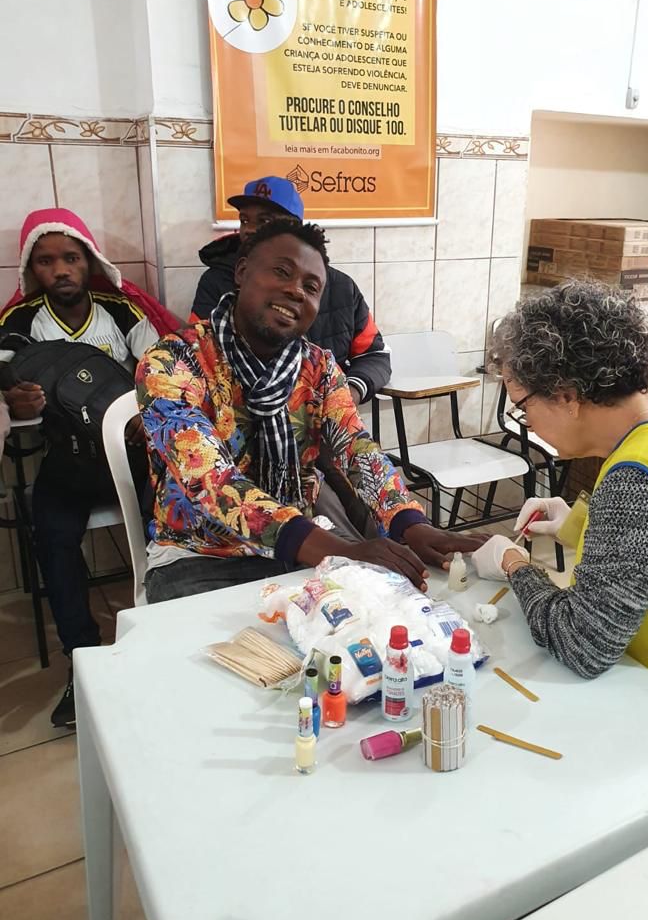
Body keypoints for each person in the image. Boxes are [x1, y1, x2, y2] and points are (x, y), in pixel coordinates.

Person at [472, 280, 648, 805]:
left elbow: (583, 644)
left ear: (565, 394)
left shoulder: (636, 477)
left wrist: (514, 564)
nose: (527, 423)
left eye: (523, 406)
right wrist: (579, 521)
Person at [138, 218, 483, 602]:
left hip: (302, 545)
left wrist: (409, 523)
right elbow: (213, 484)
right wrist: (341, 550)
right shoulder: (173, 362)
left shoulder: (317, 367)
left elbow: (357, 448)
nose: (295, 291)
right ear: (241, 272)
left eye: (311, 286)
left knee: (384, 633)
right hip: (200, 556)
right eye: (282, 272)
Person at [0, 208, 179, 728]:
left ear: (89, 261)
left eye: (71, 258)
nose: (61, 270)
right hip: (68, 464)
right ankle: (83, 666)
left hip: (135, 459)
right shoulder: (19, 323)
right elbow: (5, 378)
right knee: (51, 536)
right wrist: (16, 402)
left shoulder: (120, 312)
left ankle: (162, 643)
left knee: (169, 529)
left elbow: (165, 366)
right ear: (32, 270)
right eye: (47, 261)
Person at [190, 176, 391, 404]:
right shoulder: (216, 282)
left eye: (265, 221)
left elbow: (375, 355)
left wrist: (346, 396)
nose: (249, 230)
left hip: (323, 421)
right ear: (241, 273)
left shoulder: (341, 288)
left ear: (295, 228)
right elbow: (196, 359)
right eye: (245, 220)